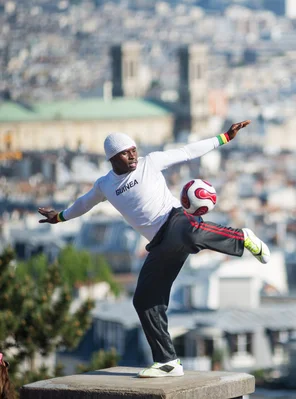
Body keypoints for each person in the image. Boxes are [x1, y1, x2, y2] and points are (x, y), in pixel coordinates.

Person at [38, 120, 271, 378]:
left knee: (187, 233)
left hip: (176, 219)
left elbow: (187, 151)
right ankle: (167, 360)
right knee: (144, 301)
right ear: (113, 158)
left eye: (134, 150)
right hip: (160, 244)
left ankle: (243, 237)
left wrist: (225, 137)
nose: (133, 155)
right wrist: (59, 217)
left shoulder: (150, 162)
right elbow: (83, 204)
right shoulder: (104, 185)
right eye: (127, 153)